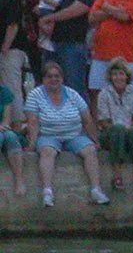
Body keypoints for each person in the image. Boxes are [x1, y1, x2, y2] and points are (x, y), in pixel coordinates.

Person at [24, 59, 108, 205]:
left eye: (57, 76)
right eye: (49, 76)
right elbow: (33, 122)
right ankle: (47, 192)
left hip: (73, 135)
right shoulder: (35, 95)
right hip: (48, 135)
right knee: (47, 152)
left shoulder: (72, 94)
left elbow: (87, 119)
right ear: (43, 79)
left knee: (90, 150)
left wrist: (95, 140)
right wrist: (32, 143)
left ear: (62, 78)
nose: (53, 79)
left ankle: (96, 189)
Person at [94, 59, 133, 193]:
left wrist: (128, 130)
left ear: (127, 76)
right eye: (115, 74)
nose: (118, 77)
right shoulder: (104, 94)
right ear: (110, 77)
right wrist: (120, 131)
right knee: (117, 131)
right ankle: (117, 175)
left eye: (121, 74)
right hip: (111, 132)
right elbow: (104, 121)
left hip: (130, 130)